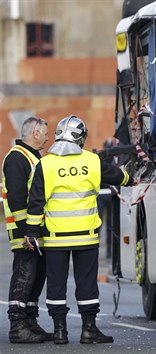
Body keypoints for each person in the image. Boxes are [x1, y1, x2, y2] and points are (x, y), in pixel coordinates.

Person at [25, 115, 134, 344]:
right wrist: (130, 175)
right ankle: (89, 330)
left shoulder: (45, 164)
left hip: (55, 238)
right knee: (86, 284)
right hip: (86, 236)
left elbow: (36, 203)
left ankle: (60, 331)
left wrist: (32, 233)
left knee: (56, 284)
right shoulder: (92, 161)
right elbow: (119, 177)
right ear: (81, 138)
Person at [3, 116, 52, 343]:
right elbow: (17, 197)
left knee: (36, 275)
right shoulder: (16, 158)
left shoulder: (33, 157)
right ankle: (18, 326)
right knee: (25, 275)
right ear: (34, 133)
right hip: (24, 232)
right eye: (45, 133)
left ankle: (30, 322)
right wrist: (27, 232)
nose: (48, 137)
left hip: (33, 231)